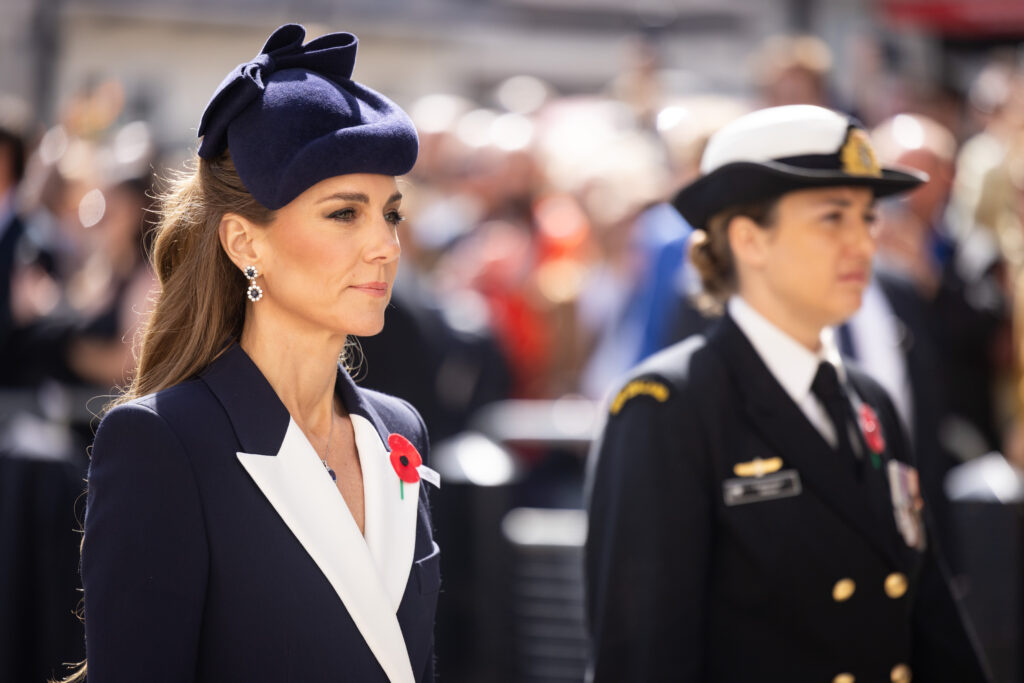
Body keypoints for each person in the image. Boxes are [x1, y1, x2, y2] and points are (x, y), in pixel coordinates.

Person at [74, 24, 440, 683]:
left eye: (391, 213)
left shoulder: (397, 431)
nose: (386, 245)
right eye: (343, 213)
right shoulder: (163, 442)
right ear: (245, 242)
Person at [584, 105, 990, 682]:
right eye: (832, 218)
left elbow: (930, 619)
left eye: (868, 218)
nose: (862, 244)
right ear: (750, 239)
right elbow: (643, 657)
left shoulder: (868, 399)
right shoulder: (665, 407)